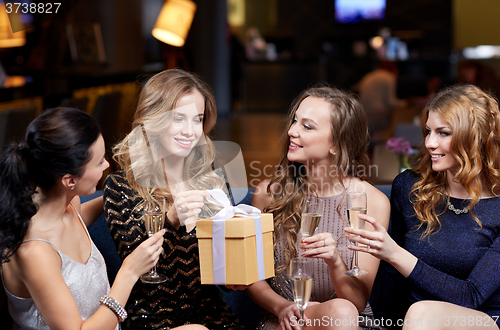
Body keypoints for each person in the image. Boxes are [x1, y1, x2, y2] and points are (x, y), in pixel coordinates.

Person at [0, 107, 198, 330]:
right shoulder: (34, 252)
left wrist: (126, 193)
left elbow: (78, 220)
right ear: (69, 180)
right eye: (99, 162)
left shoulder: (68, 206)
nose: (107, 165)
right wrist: (129, 271)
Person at [346, 84, 500, 329]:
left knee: (422, 312)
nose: (429, 142)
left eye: (443, 133)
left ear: (474, 137)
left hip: (483, 319)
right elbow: (393, 278)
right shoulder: (409, 187)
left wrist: (395, 253)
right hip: (415, 323)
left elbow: (472, 296)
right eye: (428, 131)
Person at [104, 69, 243, 329]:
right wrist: (170, 220)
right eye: (179, 118)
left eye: (197, 119)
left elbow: (220, 272)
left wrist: (233, 277)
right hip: (154, 319)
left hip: (212, 315)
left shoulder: (211, 182)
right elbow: (137, 265)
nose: (190, 131)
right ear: (153, 118)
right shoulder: (122, 186)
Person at [246, 85, 390, 330]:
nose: (292, 131)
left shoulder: (372, 202)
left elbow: (355, 301)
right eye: (294, 121)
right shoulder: (268, 194)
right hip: (284, 321)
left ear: (337, 143)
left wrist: (334, 261)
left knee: (342, 311)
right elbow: (251, 277)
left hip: (347, 322)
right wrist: (281, 307)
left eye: (307, 126)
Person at [358, 60, 408, 139]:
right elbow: (390, 102)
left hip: (364, 115)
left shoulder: (368, 76)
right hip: (379, 116)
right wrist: (406, 103)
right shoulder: (389, 77)